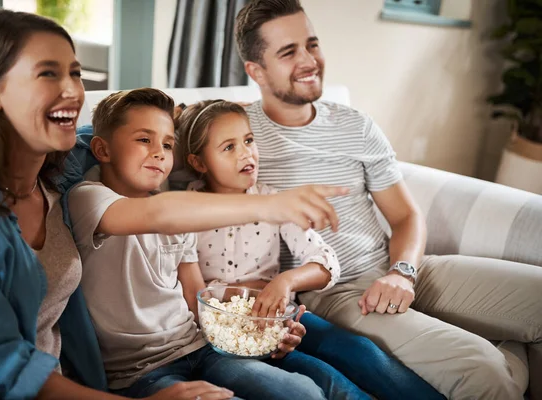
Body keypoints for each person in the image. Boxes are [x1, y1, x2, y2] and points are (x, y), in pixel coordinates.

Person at [0, 9, 341, 400]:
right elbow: (155, 209)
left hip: (181, 348)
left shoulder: (55, 176)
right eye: (48, 73)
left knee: (303, 388)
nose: (72, 90)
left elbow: (109, 136)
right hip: (113, 376)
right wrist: (269, 206)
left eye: (76, 73)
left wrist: (252, 331)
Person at [224, 1, 542, 399]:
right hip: (338, 291)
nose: (309, 60)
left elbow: (407, 215)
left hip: (402, 268)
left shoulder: (355, 124)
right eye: (288, 52)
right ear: (255, 71)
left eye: (312, 44)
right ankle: (502, 356)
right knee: (482, 370)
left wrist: (402, 271)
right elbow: (150, 130)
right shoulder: (236, 137)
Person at [67, 88, 347, 399]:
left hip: (201, 347)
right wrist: (269, 206)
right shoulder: (87, 198)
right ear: (102, 150)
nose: (160, 152)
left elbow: (194, 296)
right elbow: (159, 215)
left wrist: (258, 335)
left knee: (303, 392)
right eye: (144, 140)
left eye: (168, 144)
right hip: (142, 371)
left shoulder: (179, 212)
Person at [177, 98, 445, 400]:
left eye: (249, 140)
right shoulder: (184, 213)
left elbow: (325, 261)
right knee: (327, 380)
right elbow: (192, 294)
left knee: (360, 351)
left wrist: (284, 282)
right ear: (199, 163)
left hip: (283, 317)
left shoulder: (275, 202)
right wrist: (241, 292)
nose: (246, 153)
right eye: (229, 147)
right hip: (226, 333)